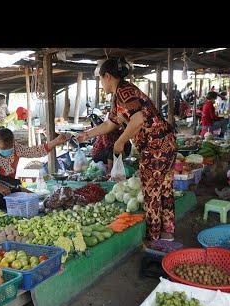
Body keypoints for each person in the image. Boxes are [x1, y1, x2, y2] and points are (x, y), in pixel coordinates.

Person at [76, 57, 178, 247]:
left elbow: (138, 120)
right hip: (165, 144)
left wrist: (120, 142)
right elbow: (110, 124)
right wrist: (87, 135)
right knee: (163, 189)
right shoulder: (121, 94)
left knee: (152, 192)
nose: (101, 83)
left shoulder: (125, 91)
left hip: (156, 147)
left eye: (100, 78)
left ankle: (154, 239)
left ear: (107, 76)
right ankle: (167, 234)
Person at [0, 128, 68, 212]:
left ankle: (15, 192)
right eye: (4, 148)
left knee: (28, 197)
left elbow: (35, 151)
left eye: (10, 147)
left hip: (9, 187)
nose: (8, 150)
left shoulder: (16, 148)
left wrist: (55, 142)